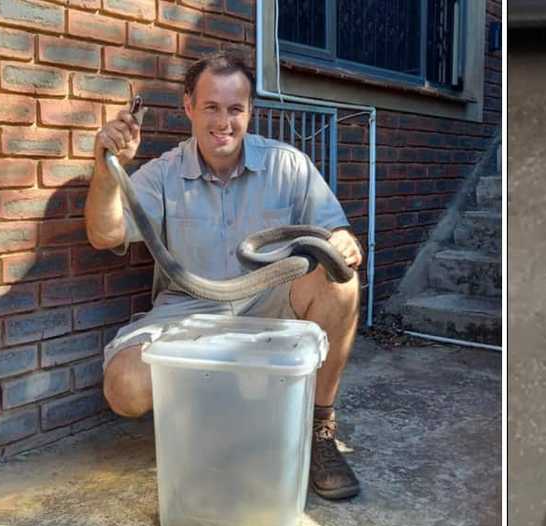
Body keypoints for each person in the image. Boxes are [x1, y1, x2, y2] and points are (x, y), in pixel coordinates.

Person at [84, 51, 363, 500]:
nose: (224, 122)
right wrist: (106, 168)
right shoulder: (162, 175)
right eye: (211, 107)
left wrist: (345, 242)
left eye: (236, 109)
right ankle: (225, 421)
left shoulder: (287, 164)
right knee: (125, 388)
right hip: (189, 311)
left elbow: (338, 230)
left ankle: (320, 429)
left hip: (269, 305)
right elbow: (104, 234)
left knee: (341, 281)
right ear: (189, 107)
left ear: (249, 111)